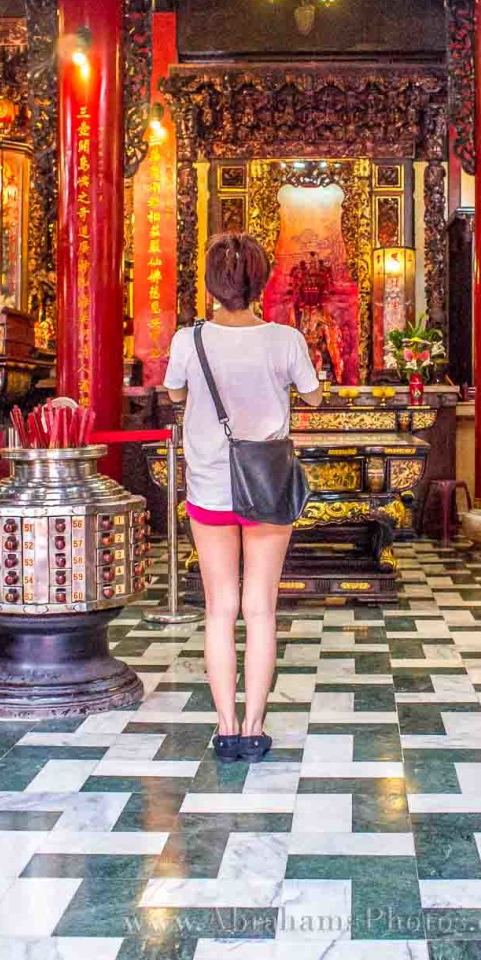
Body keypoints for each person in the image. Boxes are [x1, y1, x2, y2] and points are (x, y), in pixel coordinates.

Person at [164, 232, 322, 764]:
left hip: (209, 485)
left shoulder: (190, 340)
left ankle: (225, 727)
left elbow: (175, 393)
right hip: (268, 483)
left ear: (211, 284)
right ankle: (255, 727)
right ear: (261, 282)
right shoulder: (285, 339)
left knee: (218, 610)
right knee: (261, 608)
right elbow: (315, 393)